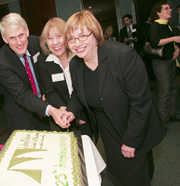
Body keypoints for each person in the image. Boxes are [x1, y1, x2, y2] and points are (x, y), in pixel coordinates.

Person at [61, 10, 165, 186]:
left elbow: (141, 103)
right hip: (107, 130)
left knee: (137, 176)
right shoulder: (75, 64)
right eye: (71, 39)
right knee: (119, 174)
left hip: (132, 127)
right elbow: (77, 94)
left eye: (82, 36)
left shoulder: (123, 57)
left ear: (95, 34)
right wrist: (71, 110)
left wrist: (132, 140)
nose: (77, 44)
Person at [0, 13, 69, 135]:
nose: (19, 42)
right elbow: (21, 94)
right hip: (21, 117)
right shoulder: (1, 62)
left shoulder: (36, 43)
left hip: (43, 111)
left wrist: (48, 93)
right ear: (4, 39)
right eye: (12, 38)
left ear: (27, 32)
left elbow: (47, 67)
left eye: (21, 35)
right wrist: (51, 110)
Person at [36, 17, 92, 136]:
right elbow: (50, 91)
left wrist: (77, 114)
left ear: (67, 37)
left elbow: (87, 89)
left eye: (59, 36)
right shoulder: (43, 61)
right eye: (50, 38)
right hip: (62, 116)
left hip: (86, 114)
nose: (55, 42)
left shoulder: (80, 56)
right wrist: (63, 111)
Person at [149, 1, 180, 128]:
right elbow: (155, 42)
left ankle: (171, 115)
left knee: (173, 89)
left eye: (170, 8)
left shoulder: (167, 25)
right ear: (158, 12)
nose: (170, 10)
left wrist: (177, 48)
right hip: (161, 64)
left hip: (170, 61)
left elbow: (172, 43)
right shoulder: (156, 26)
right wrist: (174, 39)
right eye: (166, 8)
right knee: (164, 92)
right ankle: (162, 122)